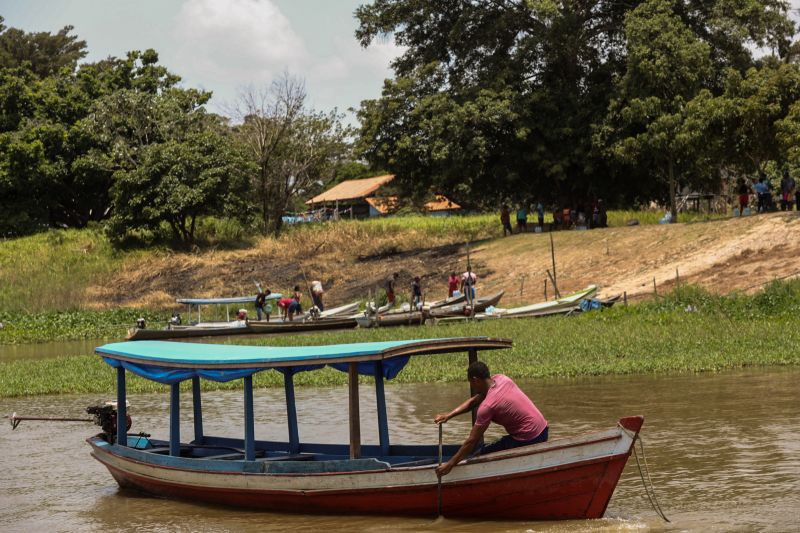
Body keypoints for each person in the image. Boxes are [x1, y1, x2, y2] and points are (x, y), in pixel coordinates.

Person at [434, 361, 548, 477]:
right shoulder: (502, 379)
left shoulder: (488, 406)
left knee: (480, 455)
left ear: (475, 380)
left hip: (529, 439)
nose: (472, 387)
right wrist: (448, 416)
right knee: (497, 445)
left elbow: (472, 441)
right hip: (543, 429)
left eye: (471, 383)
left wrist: (450, 464)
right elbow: (474, 401)